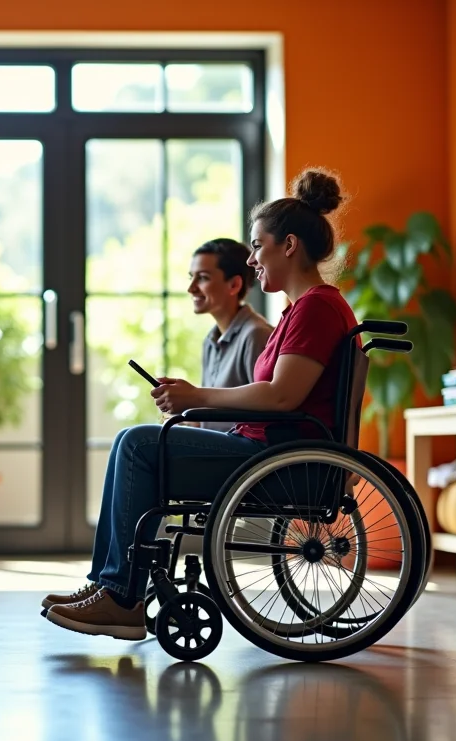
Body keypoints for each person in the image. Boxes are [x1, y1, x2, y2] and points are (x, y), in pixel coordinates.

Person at [42, 169, 358, 640]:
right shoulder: (302, 309)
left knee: (136, 446)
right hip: (267, 450)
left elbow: (282, 395)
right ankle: (111, 587)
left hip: (279, 460)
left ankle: (120, 596)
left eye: (257, 245)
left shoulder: (316, 308)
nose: (252, 258)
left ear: (288, 246)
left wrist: (196, 397)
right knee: (135, 441)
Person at [186, 238, 274, 431]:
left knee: (137, 439)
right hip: (212, 446)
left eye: (202, 277)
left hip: (240, 452)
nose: (191, 288)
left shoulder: (256, 335)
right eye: (191, 277)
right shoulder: (210, 340)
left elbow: (267, 411)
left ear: (234, 284)